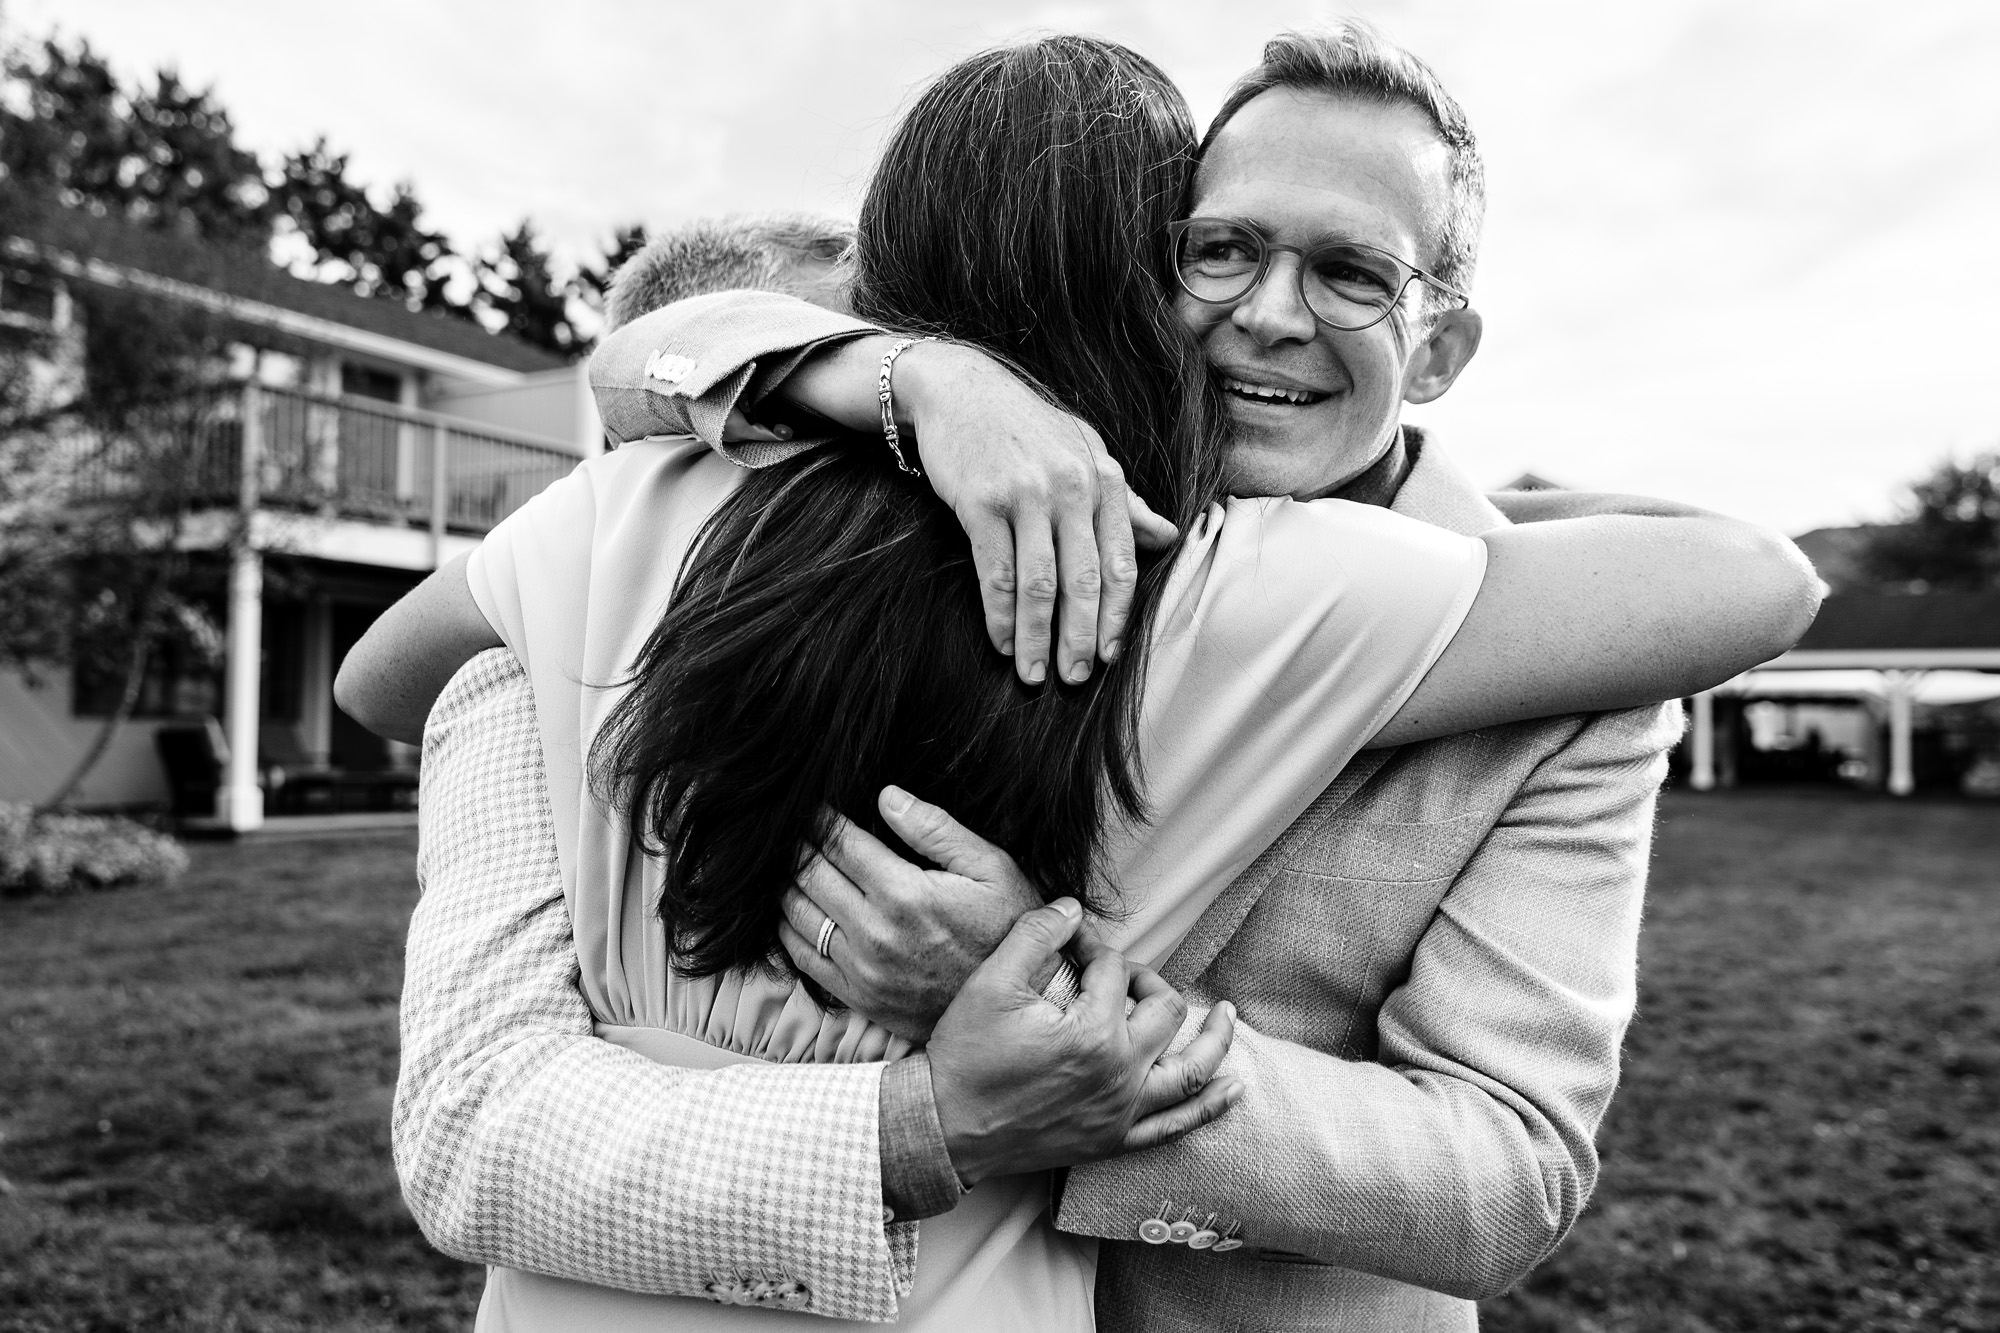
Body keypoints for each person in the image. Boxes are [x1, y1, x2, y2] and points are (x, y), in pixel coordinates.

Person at [343, 31, 1819, 1333]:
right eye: (1217, 249)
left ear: (1441, 346)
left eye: (1353, 272)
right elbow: (653, 364)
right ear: (1135, 267)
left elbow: (1504, 1181)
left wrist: (1058, 1020)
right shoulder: (1029, 533)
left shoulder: (1577, 668)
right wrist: (907, 377)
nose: (1267, 315)